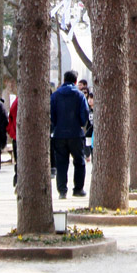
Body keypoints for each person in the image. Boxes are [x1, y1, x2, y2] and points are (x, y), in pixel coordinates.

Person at [50, 69, 90, 199]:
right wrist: (80, 124)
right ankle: (78, 189)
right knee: (79, 161)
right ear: (75, 81)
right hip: (76, 133)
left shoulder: (55, 95)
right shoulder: (79, 95)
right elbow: (84, 114)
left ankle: (62, 190)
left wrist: (57, 125)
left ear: (64, 80)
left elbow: (52, 114)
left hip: (59, 133)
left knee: (61, 162)